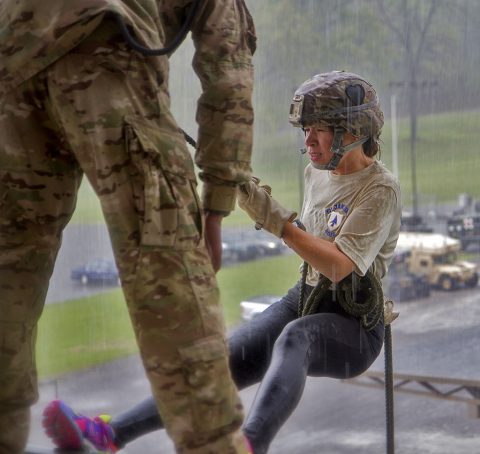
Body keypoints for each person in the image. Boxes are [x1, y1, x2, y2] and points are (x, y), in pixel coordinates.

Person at [42, 70, 402, 454]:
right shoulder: (317, 171)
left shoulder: (380, 190)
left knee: (297, 337)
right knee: (222, 359)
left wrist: (278, 223)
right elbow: (316, 248)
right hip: (308, 295)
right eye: (306, 129)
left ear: (352, 132)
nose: (308, 140)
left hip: (355, 326)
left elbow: (339, 265)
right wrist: (256, 198)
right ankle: (110, 435)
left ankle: (250, 446)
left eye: (320, 130)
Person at [0, 1, 257, 453]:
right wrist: (216, 204)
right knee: (169, 275)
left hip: (11, 56)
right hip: (102, 42)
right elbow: (227, 70)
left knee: (6, 281)